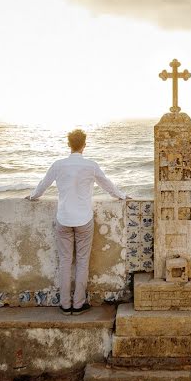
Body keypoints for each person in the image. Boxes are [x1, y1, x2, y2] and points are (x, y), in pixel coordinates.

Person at [27, 129, 128, 315]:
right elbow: (107, 185)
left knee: (65, 262)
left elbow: (43, 184)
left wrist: (33, 196)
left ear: (69, 144)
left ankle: (65, 305)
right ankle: (78, 304)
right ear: (84, 144)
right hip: (84, 220)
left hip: (63, 219)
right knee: (82, 262)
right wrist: (121, 196)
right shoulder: (91, 166)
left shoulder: (58, 165)